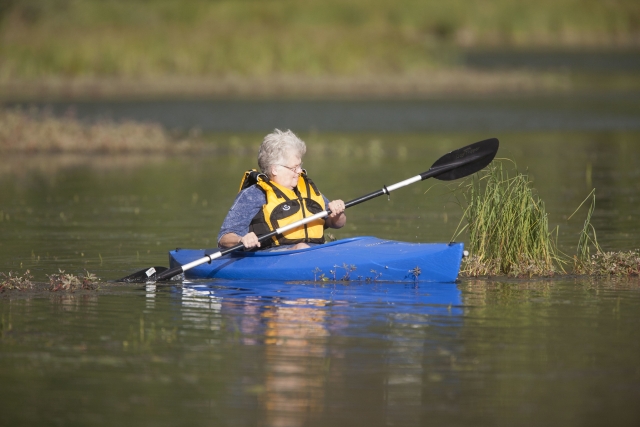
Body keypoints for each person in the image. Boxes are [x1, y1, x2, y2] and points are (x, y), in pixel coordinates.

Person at [218, 129, 346, 251]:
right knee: (301, 247)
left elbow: (338, 223)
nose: (300, 171)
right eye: (294, 167)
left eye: (300, 165)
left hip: (314, 250)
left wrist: (337, 213)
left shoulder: (307, 189)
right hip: (274, 256)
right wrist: (241, 239)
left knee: (305, 247)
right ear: (275, 169)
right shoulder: (253, 195)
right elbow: (224, 238)